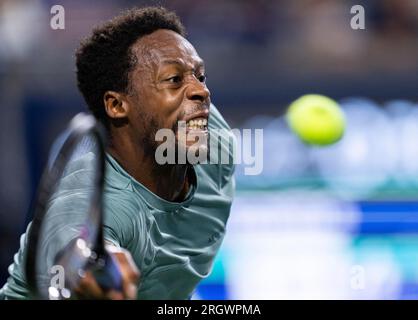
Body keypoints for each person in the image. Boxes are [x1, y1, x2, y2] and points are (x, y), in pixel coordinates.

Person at [0, 6, 235, 299]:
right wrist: (93, 267)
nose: (201, 92)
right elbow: (70, 247)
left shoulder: (218, 146)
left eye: (200, 76)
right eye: (174, 79)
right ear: (117, 105)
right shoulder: (96, 202)